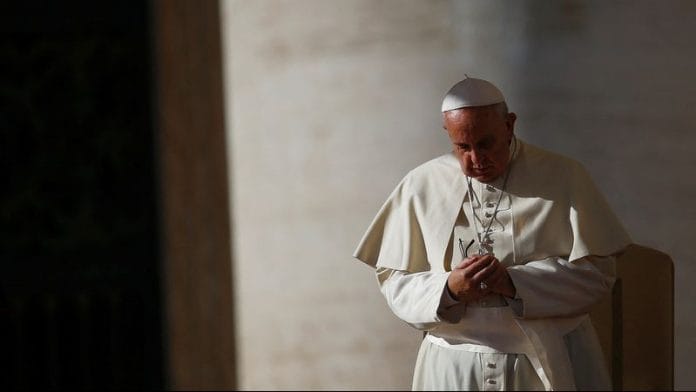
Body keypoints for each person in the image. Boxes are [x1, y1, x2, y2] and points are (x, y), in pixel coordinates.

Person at [353, 76, 631, 391]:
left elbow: (597, 274)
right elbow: (395, 281)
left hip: (549, 357)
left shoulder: (564, 175)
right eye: (462, 147)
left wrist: (515, 283)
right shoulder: (421, 185)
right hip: (454, 366)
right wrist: (449, 289)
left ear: (509, 125)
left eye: (485, 143)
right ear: (448, 134)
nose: (476, 159)